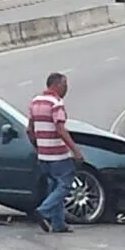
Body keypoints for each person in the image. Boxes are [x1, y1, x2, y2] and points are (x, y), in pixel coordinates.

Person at [27, 73, 84, 234]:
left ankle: (59, 224)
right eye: (65, 85)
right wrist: (75, 150)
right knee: (65, 185)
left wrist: (37, 147)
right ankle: (43, 211)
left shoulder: (35, 101)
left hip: (43, 155)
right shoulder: (56, 103)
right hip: (58, 154)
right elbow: (60, 129)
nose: (66, 89)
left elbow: (29, 130)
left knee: (54, 187)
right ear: (57, 85)